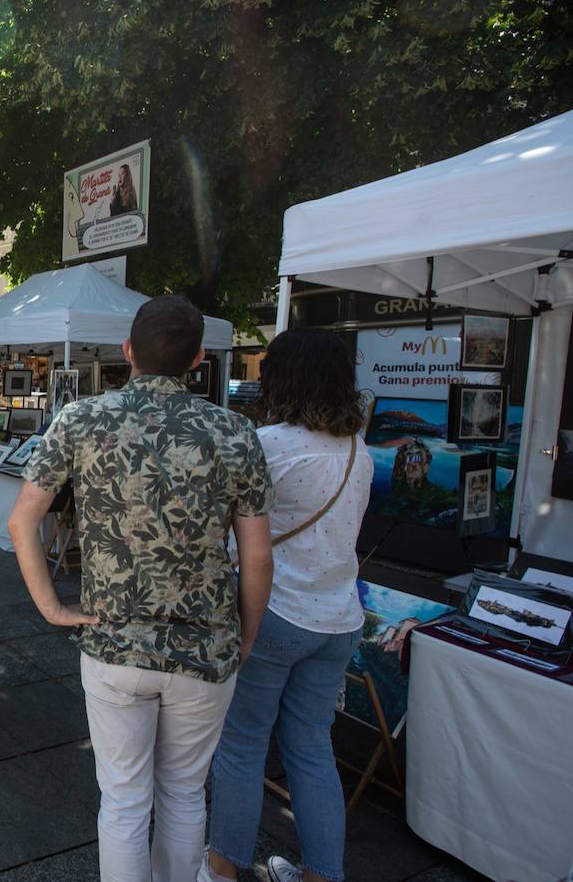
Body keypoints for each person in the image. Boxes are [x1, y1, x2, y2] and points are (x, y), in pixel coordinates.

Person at [7, 295, 274, 882]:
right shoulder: (235, 433)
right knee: (183, 796)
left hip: (112, 644)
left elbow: (21, 520)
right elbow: (256, 556)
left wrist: (52, 607)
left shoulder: (81, 419)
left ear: (128, 351)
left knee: (124, 802)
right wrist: (245, 637)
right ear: (199, 359)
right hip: (205, 650)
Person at [203, 329, 373, 882]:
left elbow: (234, 539)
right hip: (339, 618)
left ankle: (222, 865)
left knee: (243, 745)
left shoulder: (271, 444)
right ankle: (322, 874)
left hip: (274, 614)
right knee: (311, 748)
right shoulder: (358, 450)